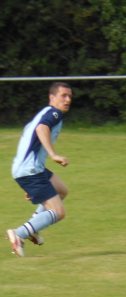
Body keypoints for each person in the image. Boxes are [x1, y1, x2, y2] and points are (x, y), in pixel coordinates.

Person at [6, 82, 72, 257]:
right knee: (59, 212)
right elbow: (41, 129)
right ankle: (19, 234)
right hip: (31, 171)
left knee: (62, 191)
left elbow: (27, 132)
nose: (67, 100)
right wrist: (53, 154)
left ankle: (34, 229)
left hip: (31, 169)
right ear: (52, 97)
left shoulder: (43, 113)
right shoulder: (54, 113)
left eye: (69, 96)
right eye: (63, 95)